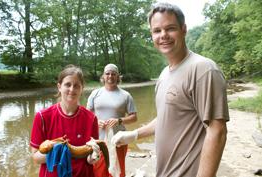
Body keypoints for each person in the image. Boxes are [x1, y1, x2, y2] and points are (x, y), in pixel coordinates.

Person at [112, 2, 229, 177]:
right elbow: (166, 119)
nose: (163, 35)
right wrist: (135, 134)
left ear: (184, 30)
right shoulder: (164, 75)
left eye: (170, 28)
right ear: (151, 35)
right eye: (157, 31)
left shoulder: (203, 69)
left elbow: (217, 130)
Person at [30, 64, 100, 177]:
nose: (72, 89)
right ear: (59, 87)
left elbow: (90, 158)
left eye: (76, 86)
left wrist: (93, 157)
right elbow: (35, 157)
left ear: (82, 89)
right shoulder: (42, 117)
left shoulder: (91, 118)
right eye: (68, 84)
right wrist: (59, 152)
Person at [87, 63, 137, 177]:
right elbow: (87, 114)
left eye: (113, 74)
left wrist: (119, 120)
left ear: (118, 77)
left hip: (119, 140)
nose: (110, 76)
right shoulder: (95, 93)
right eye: (107, 73)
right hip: (98, 140)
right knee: (98, 171)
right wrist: (95, 121)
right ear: (103, 76)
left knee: (118, 171)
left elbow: (134, 117)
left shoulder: (126, 95)